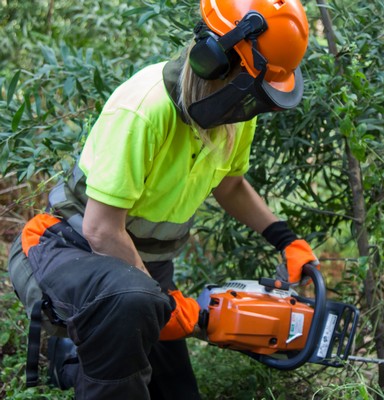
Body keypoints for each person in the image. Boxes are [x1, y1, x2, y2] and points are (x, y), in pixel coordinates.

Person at [7, 0, 318, 398]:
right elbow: (101, 230)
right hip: (66, 248)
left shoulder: (234, 115)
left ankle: (87, 350)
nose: (252, 103)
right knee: (130, 309)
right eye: (252, 83)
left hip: (143, 267)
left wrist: (286, 239)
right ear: (214, 60)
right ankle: (72, 358)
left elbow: (230, 185)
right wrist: (164, 303)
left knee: (175, 392)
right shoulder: (143, 109)